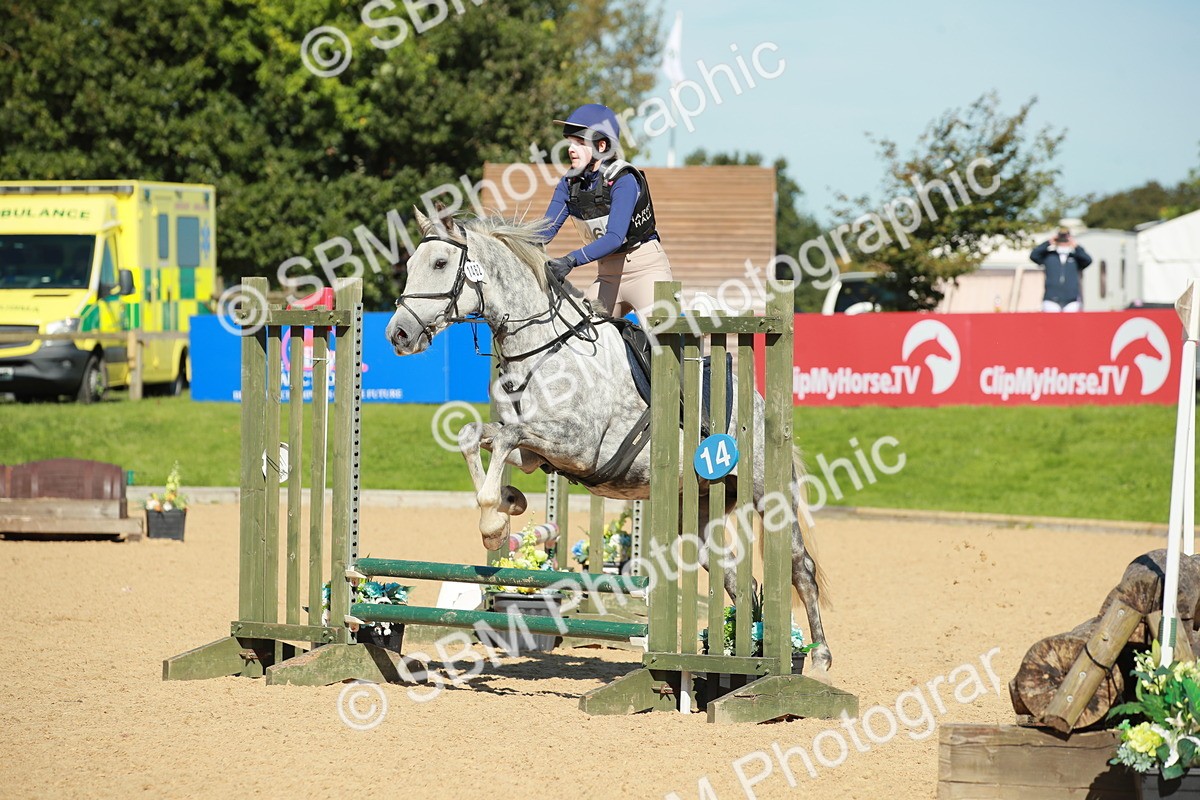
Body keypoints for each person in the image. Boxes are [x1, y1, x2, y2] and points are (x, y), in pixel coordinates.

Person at [540, 103, 673, 321]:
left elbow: (614, 238)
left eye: (579, 142)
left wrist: (571, 259)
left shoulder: (624, 179)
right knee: (582, 330)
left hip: (646, 270)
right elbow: (545, 231)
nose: (570, 149)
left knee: (663, 336)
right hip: (607, 275)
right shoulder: (569, 183)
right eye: (570, 142)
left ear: (601, 146)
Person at [1030, 227, 1092, 312]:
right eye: (1061, 239)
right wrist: (1049, 242)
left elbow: (1088, 260)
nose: (1063, 242)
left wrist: (1076, 246)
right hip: (1051, 298)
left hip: (1071, 299)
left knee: (1071, 320)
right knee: (1051, 320)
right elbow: (1034, 255)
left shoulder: (1075, 257)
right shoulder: (1049, 256)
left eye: (1065, 239)